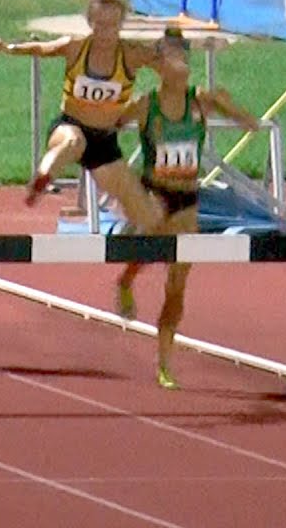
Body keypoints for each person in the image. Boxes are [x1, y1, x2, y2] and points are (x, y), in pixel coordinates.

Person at [112, 26, 259, 389]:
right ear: (158, 66)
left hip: (187, 200)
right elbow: (107, 128)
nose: (181, 64)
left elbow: (250, 122)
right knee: (150, 243)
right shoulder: (146, 106)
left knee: (177, 285)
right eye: (172, 57)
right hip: (154, 195)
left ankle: (164, 362)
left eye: (184, 56)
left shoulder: (200, 101)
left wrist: (231, 107)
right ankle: (126, 280)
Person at [0, 0, 162, 235]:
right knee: (73, 142)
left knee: (146, 216)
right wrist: (9, 48)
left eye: (112, 26)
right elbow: (41, 49)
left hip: (103, 143)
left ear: (121, 25)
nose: (105, 33)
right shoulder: (75, 47)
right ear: (90, 23)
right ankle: (41, 180)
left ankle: (131, 258)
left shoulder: (131, 54)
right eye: (100, 26)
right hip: (69, 126)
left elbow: (166, 64)